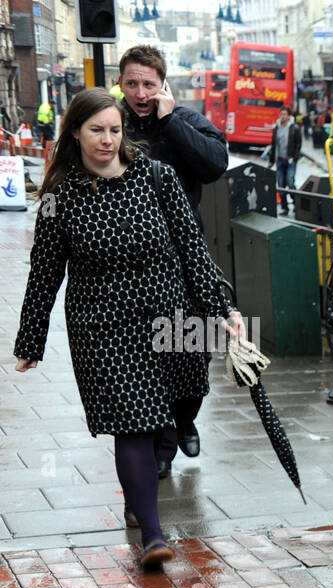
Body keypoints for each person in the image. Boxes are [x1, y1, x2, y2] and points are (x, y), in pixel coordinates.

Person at [13, 89, 242, 568]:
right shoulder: (59, 198)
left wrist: (223, 309)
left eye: (115, 130)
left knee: (175, 409)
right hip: (103, 329)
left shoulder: (157, 178)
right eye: (97, 130)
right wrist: (30, 340)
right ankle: (153, 537)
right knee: (133, 426)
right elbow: (44, 271)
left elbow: (192, 250)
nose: (107, 140)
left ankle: (139, 495)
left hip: (170, 319)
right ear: (75, 132)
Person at [119, 44, 229, 477]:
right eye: (132, 84)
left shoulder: (185, 120)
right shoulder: (115, 124)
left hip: (184, 255)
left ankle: (184, 420)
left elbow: (214, 164)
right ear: (121, 83)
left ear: (163, 84)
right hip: (132, 259)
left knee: (192, 346)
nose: (140, 93)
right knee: (149, 354)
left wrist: (169, 122)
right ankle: (162, 446)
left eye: (148, 84)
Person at [268, 106, 302, 215]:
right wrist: (271, 160)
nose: (283, 117)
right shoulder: (277, 128)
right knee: (281, 184)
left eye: (285, 114)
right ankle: (284, 207)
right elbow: (274, 145)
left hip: (290, 160)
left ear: (289, 116)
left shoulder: (295, 128)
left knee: (290, 183)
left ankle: (297, 204)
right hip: (280, 160)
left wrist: (295, 158)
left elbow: (298, 145)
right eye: (281, 114)